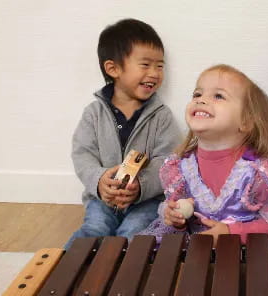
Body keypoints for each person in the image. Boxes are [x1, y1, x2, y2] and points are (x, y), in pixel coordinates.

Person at [139, 64, 268, 245]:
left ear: (246, 121)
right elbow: (176, 211)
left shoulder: (258, 172)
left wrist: (231, 232)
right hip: (197, 250)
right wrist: (175, 217)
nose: (201, 100)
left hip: (247, 252)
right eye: (197, 94)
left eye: (218, 96)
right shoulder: (180, 167)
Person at [65, 19, 181, 248]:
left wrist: (142, 185)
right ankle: (63, 272)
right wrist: (99, 181)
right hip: (103, 200)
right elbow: (83, 155)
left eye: (160, 66)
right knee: (94, 229)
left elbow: (169, 161)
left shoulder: (162, 116)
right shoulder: (93, 113)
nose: (155, 73)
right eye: (146, 64)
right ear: (113, 69)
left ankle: (122, 276)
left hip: (146, 200)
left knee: (134, 233)